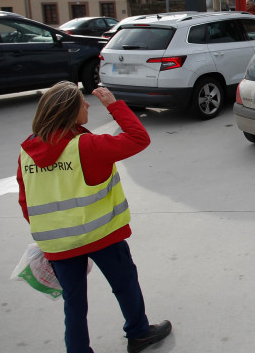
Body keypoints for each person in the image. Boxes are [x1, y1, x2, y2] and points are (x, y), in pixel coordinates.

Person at [17, 82, 171, 353]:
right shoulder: (85, 146)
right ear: (69, 112)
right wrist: (114, 104)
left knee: (74, 302)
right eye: (82, 103)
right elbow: (139, 138)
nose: (87, 105)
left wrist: (52, 233)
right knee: (125, 284)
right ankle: (138, 333)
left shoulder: (26, 151)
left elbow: (25, 200)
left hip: (58, 244)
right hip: (102, 236)